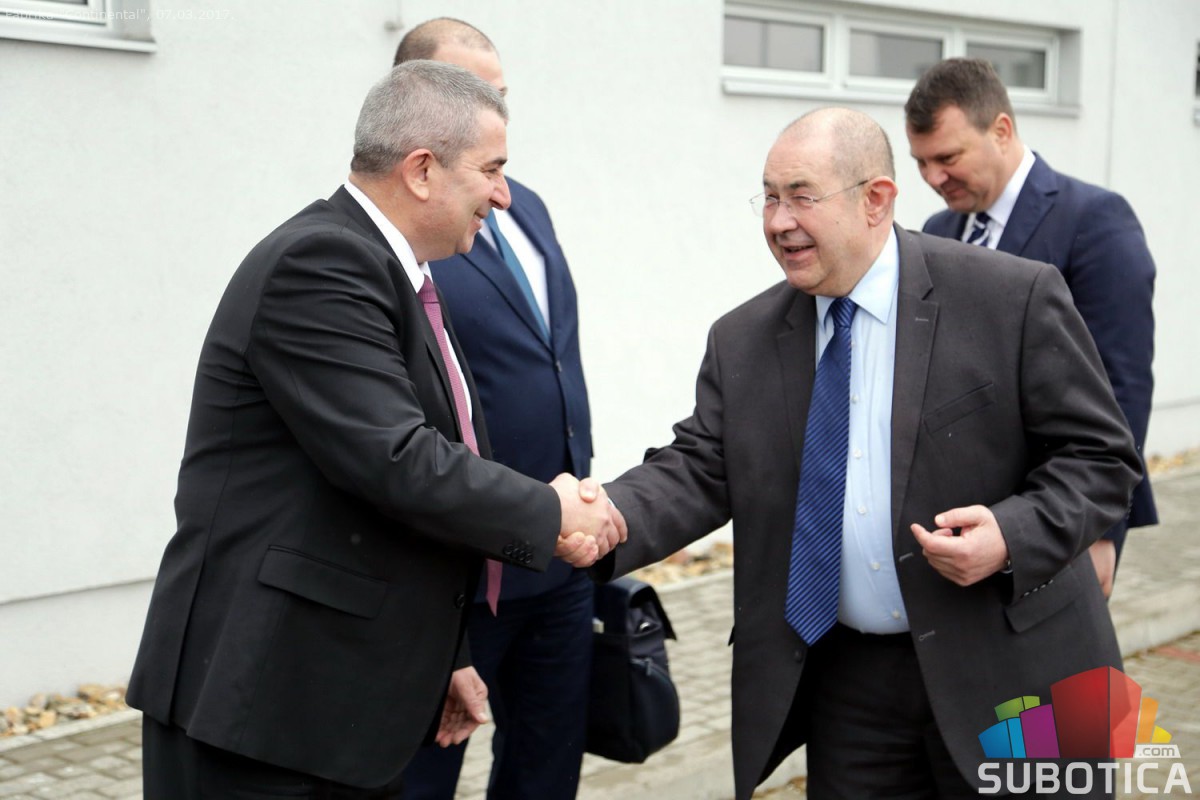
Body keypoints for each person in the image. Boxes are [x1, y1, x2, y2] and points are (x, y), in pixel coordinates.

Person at [588, 108, 1141, 798]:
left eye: (801, 196)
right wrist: (604, 514)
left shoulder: (1010, 297)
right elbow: (701, 467)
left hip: (1014, 670)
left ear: (876, 199)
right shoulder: (743, 338)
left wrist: (1012, 534)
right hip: (851, 689)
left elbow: (1101, 457)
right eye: (769, 197)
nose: (778, 221)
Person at [126, 60, 623, 799]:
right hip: (263, 707)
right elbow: (397, 460)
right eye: (492, 170)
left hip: (341, 703)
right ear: (421, 170)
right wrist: (552, 513)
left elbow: (407, 480)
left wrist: (447, 653)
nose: (504, 195)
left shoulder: (397, 273)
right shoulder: (321, 262)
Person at [392, 19, 595, 800]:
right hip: (457, 576)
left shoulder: (525, 205)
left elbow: (550, 354)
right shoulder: (399, 236)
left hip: (560, 556)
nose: (496, 111)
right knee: (421, 778)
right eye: (474, 94)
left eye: (501, 95)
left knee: (546, 772)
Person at [904, 57, 1157, 597]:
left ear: (1001, 130)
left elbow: (1123, 387)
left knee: (1063, 659)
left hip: (1054, 517)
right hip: (963, 527)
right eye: (921, 162)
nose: (932, 178)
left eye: (947, 158)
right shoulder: (936, 230)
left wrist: (1100, 529)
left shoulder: (1095, 220)